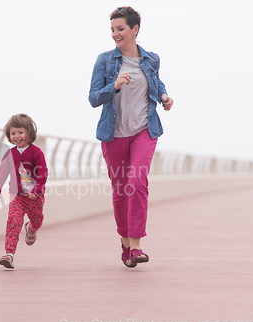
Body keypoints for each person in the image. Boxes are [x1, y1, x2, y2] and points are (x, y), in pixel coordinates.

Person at [88, 6, 174, 267]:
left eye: (120, 29)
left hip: (144, 131)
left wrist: (164, 97)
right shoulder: (104, 60)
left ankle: (136, 245)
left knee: (137, 182)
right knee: (120, 189)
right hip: (113, 134)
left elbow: (156, 83)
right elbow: (93, 98)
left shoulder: (151, 59)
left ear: (134, 30)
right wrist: (112, 86)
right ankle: (125, 243)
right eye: (113, 29)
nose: (115, 34)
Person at [0, 113, 48, 269]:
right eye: (13, 133)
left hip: (35, 197)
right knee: (13, 221)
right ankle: (9, 254)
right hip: (17, 196)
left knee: (37, 220)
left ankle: (31, 228)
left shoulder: (36, 153)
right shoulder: (9, 155)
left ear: (29, 132)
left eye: (20, 132)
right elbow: (1, 175)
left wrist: (36, 190)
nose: (17, 136)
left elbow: (43, 173)